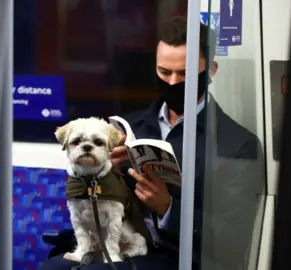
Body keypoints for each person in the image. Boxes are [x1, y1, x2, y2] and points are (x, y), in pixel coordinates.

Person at [39, 16, 265, 270]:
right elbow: (100, 202)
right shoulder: (129, 127)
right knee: (52, 268)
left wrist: (168, 208)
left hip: (181, 257)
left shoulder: (238, 144)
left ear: (211, 71)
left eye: (185, 74)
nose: (172, 82)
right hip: (123, 240)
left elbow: (233, 238)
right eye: (164, 72)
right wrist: (104, 171)